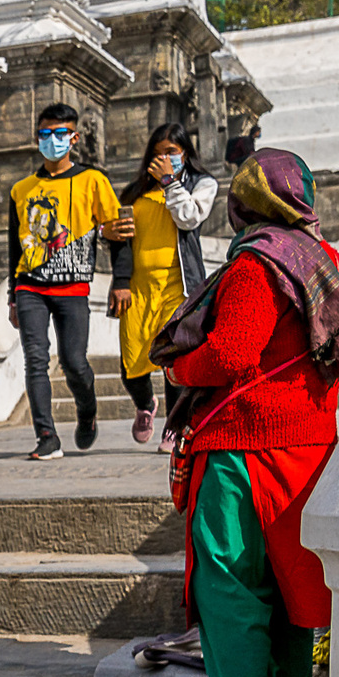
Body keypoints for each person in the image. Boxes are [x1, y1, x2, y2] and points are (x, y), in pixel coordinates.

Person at [148, 147, 339, 677]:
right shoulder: (331, 264)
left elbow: (233, 354)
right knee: (290, 590)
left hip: (244, 447)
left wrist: (179, 367)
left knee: (230, 589)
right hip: (309, 448)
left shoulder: (255, 266)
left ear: (244, 203)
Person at [5, 102, 122, 461]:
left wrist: (123, 280)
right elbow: (15, 245)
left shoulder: (94, 181)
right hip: (30, 286)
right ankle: (46, 436)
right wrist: (12, 295)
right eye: (44, 134)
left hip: (73, 287)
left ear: (73, 137)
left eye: (59, 134)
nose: (51, 141)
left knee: (74, 362)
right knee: (35, 360)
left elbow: (118, 233)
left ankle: (87, 410)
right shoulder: (21, 190)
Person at [108, 122, 218, 447]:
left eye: (171, 152)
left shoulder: (202, 184)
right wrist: (118, 275)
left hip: (178, 286)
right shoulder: (134, 193)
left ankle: (173, 425)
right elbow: (120, 240)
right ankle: (144, 404)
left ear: (186, 153)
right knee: (131, 361)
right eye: (158, 154)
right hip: (138, 288)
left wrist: (170, 182)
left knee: (171, 358)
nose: (164, 159)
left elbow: (189, 218)